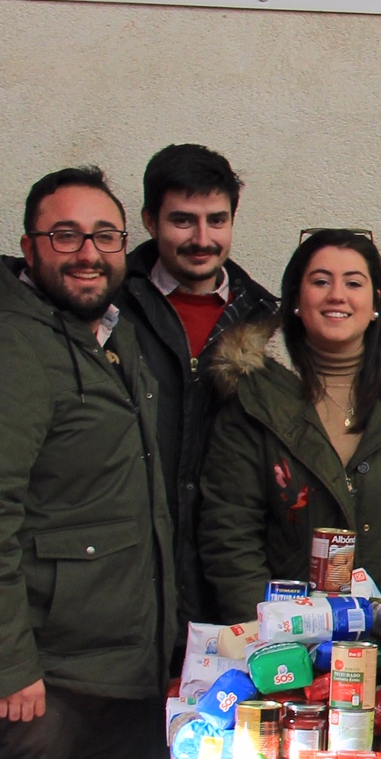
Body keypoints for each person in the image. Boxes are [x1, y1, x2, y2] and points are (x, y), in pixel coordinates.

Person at [0, 166, 176, 759]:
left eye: (104, 235)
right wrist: (8, 667)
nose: (89, 253)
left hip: (117, 677)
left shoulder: (117, 336)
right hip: (38, 688)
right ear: (29, 246)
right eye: (65, 235)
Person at [199, 230, 381, 619]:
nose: (337, 295)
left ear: (376, 301)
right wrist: (268, 632)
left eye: (353, 282)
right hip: (289, 641)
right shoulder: (253, 394)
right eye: (320, 281)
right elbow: (229, 535)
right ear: (296, 298)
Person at [120, 144, 277, 626]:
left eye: (217, 219)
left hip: (225, 572)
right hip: (127, 568)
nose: (202, 238)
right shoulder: (109, 308)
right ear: (150, 220)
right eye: (183, 220)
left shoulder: (266, 320)